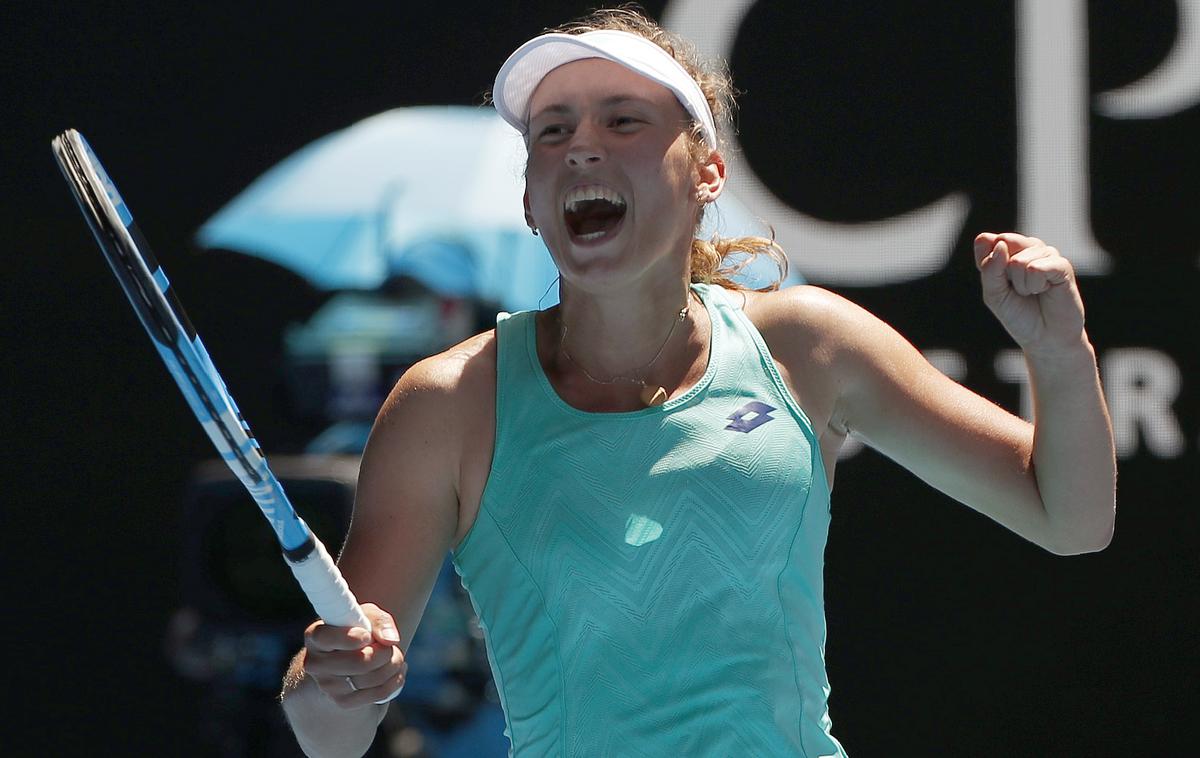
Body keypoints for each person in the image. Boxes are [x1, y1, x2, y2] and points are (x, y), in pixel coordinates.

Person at [280, 8, 1116, 756]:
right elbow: (330, 737)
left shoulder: (808, 344)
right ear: (533, 201)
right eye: (552, 132)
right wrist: (336, 678)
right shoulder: (447, 404)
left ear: (709, 172)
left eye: (623, 120)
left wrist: (1060, 353)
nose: (583, 147)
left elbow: (1068, 516)